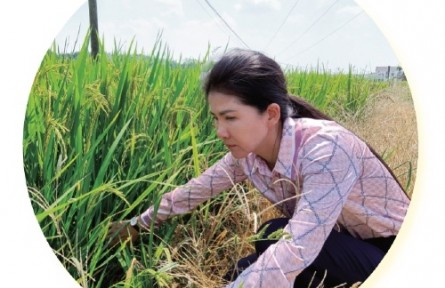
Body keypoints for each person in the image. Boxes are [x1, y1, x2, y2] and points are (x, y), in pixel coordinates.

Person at [108, 48, 410, 287]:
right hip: (338, 243)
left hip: (391, 252)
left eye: (230, 118)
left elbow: (298, 247)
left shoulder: (326, 149)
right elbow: (193, 192)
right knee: (263, 244)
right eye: (216, 118)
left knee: (273, 249)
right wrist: (136, 226)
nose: (220, 131)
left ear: (271, 113)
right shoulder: (248, 155)